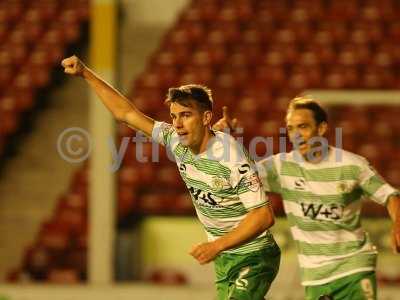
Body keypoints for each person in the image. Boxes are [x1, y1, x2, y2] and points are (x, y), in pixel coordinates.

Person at [61, 55, 281, 300]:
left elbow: (264, 216)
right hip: (225, 258)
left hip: (256, 255)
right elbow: (126, 113)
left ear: (206, 118)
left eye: (185, 115)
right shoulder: (176, 140)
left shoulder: (230, 157)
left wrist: (215, 245)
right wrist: (85, 73)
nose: (177, 124)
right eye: (174, 116)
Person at [214, 96, 400, 300]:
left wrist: (398, 223)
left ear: (321, 129)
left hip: (354, 268)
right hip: (314, 278)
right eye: (291, 129)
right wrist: (224, 143)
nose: (296, 135)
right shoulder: (281, 167)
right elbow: (239, 178)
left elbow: (390, 195)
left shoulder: (353, 165)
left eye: (302, 127)